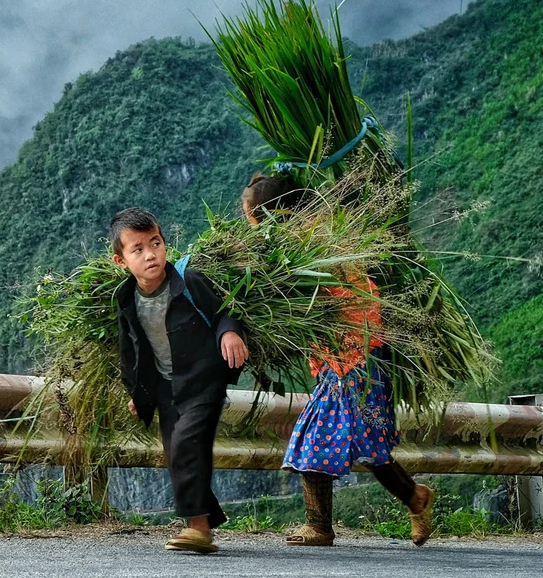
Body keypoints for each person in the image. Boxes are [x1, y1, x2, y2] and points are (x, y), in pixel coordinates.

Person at [242, 174, 435, 547]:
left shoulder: (307, 249)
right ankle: (415, 497)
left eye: (252, 217)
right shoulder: (314, 241)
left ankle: (319, 526)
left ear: (274, 216)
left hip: (356, 356)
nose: (249, 225)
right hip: (348, 356)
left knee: (314, 438)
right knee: (368, 442)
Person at [111, 207, 250, 554]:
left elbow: (224, 310)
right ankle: (202, 518)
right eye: (137, 249)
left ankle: (199, 530)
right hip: (165, 387)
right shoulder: (126, 299)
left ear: (165, 244)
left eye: (155, 243)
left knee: (187, 444)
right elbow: (131, 352)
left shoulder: (189, 282)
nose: (150, 254)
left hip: (204, 378)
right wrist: (138, 394)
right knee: (177, 454)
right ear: (120, 261)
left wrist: (229, 334)